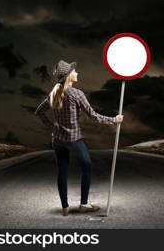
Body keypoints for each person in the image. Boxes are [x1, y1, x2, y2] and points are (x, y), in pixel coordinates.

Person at [34, 60, 123, 216]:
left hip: (58, 139)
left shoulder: (54, 92)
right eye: (74, 71)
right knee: (87, 167)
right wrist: (114, 120)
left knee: (62, 171)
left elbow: (39, 111)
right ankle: (83, 204)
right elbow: (93, 116)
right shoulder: (76, 94)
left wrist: (52, 127)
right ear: (69, 76)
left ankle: (65, 208)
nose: (77, 73)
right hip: (74, 139)